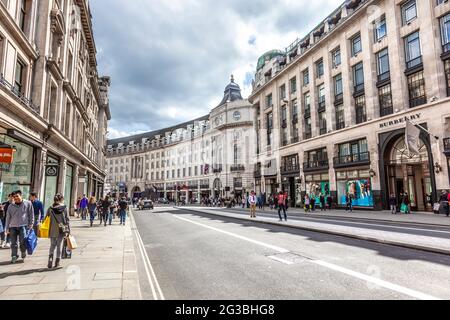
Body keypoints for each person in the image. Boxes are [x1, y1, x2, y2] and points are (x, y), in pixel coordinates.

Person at [4, 190, 34, 264]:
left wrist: (31, 224)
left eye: (17, 196)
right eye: (14, 197)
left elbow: (31, 214)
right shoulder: (11, 206)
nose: (16, 198)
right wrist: (6, 228)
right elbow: (8, 217)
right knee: (13, 243)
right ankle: (14, 256)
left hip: (23, 226)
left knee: (22, 242)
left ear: (21, 196)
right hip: (12, 226)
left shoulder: (28, 203)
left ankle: (23, 251)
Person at [46, 194, 70, 269]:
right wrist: (68, 230)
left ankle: (50, 261)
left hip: (52, 229)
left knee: (52, 245)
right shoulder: (65, 208)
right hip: (61, 229)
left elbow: (46, 218)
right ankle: (57, 262)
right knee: (59, 245)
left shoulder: (50, 208)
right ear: (61, 200)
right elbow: (67, 220)